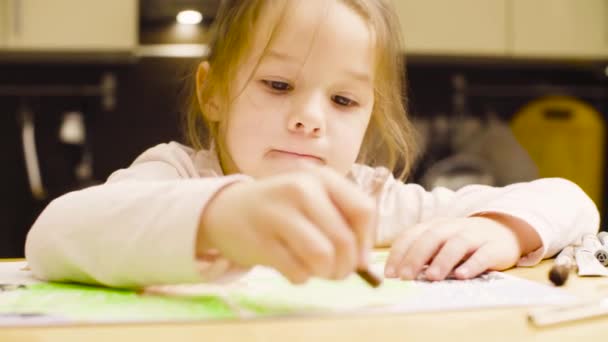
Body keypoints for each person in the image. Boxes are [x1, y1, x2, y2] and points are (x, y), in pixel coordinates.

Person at [25, 0, 598, 288]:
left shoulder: (371, 201)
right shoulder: (178, 176)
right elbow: (53, 234)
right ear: (214, 93)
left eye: (343, 101)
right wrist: (221, 217)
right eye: (278, 86)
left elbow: (571, 201)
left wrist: (499, 228)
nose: (308, 119)